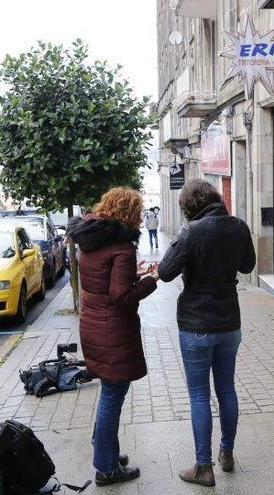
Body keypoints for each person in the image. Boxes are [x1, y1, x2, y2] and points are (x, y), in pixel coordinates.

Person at [158, 179, 256, 487]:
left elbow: (164, 271)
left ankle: (203, 467)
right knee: (226, 390)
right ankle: (226, 453)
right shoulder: (238, 226)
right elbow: (248, 264)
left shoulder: (192, 231)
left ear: (190, 206)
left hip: (196, 325)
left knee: (200, 395)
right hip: (229, 322)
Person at [67, 187, 159, 487]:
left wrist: (132, 273)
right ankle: (106, 468)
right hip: (113, 330)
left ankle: (106, 452)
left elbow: (104, 282)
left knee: (108, 393)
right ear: (129, 213)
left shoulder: (91, 240)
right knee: (112, 396)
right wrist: (150, 280)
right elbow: (122, 296)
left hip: (92, 325)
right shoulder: (122, 247)